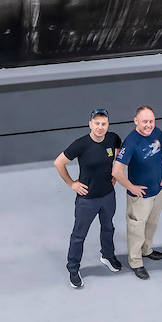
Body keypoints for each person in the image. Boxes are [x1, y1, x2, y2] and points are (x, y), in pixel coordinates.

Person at [53, 108, 124, 289]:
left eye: (104, 124)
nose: (100, 127)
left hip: (108, 195)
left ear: (108, 125)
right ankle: (73, 268)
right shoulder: (81, 144)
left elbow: (120, 150)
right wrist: (71, 184)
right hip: (87, 200)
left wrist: (116, 173)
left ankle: (107, 255)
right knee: (79, 236)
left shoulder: (112, 138)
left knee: (108, 227)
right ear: (90, 124)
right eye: (97, 123)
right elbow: (58, 162)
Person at [112, 106, 162, 280]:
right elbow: (116, 171)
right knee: (137, 228)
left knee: (152, 224)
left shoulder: (157, 132)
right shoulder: (131, 142)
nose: (148, 125)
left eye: (151, 121)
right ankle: (135, 261)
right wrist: (131, 187)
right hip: (140, 196)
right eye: (144, 121)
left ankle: (146, 250)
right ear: (136, 121)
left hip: (157, 190)